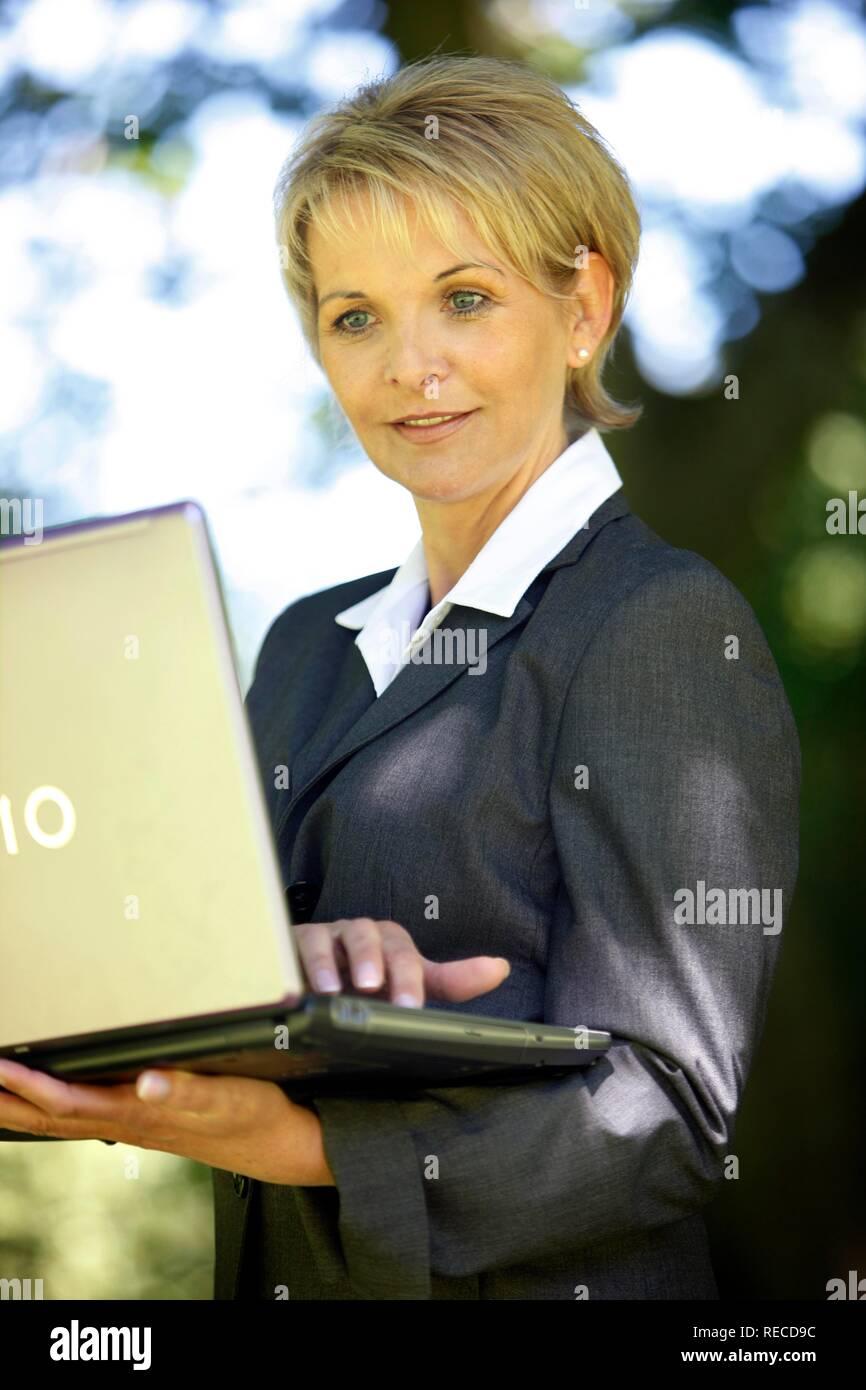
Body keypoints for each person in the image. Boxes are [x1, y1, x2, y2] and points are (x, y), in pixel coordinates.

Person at [0, 54, 800, 1302]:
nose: (407, 366)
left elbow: (666, 1109)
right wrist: (278, 971)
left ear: (583, 307)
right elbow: (217, 988)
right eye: (355, 316)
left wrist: (303, 1147)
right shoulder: (305, 648)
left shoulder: (656, 625)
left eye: (464, 298)